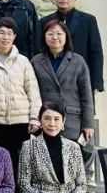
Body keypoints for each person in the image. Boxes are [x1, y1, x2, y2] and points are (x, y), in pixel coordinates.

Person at [0, 17, 42, 170]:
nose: (6, 37)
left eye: (10, 33)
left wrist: (34, 118)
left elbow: (33, 91)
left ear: (14, 36)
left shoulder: (23, 61)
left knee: (19, 164)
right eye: (2, 33)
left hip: (20, 121)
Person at [31, 20, 95, 167]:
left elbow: (87, 96)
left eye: (59, 33)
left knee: (74, 162)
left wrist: (88, 124)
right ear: (44, 37)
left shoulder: (78, 61)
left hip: (72, 120)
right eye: (50, 34)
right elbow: (32, 93)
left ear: (66, 37)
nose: (55, 37)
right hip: (47, 121)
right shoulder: (36, 61)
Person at [40, 0, 105, 94]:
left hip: (81, 79)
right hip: (52, 80)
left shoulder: (88, 20)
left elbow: (96, 52)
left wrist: (96, 83)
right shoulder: (44, 22)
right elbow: (40, 51)